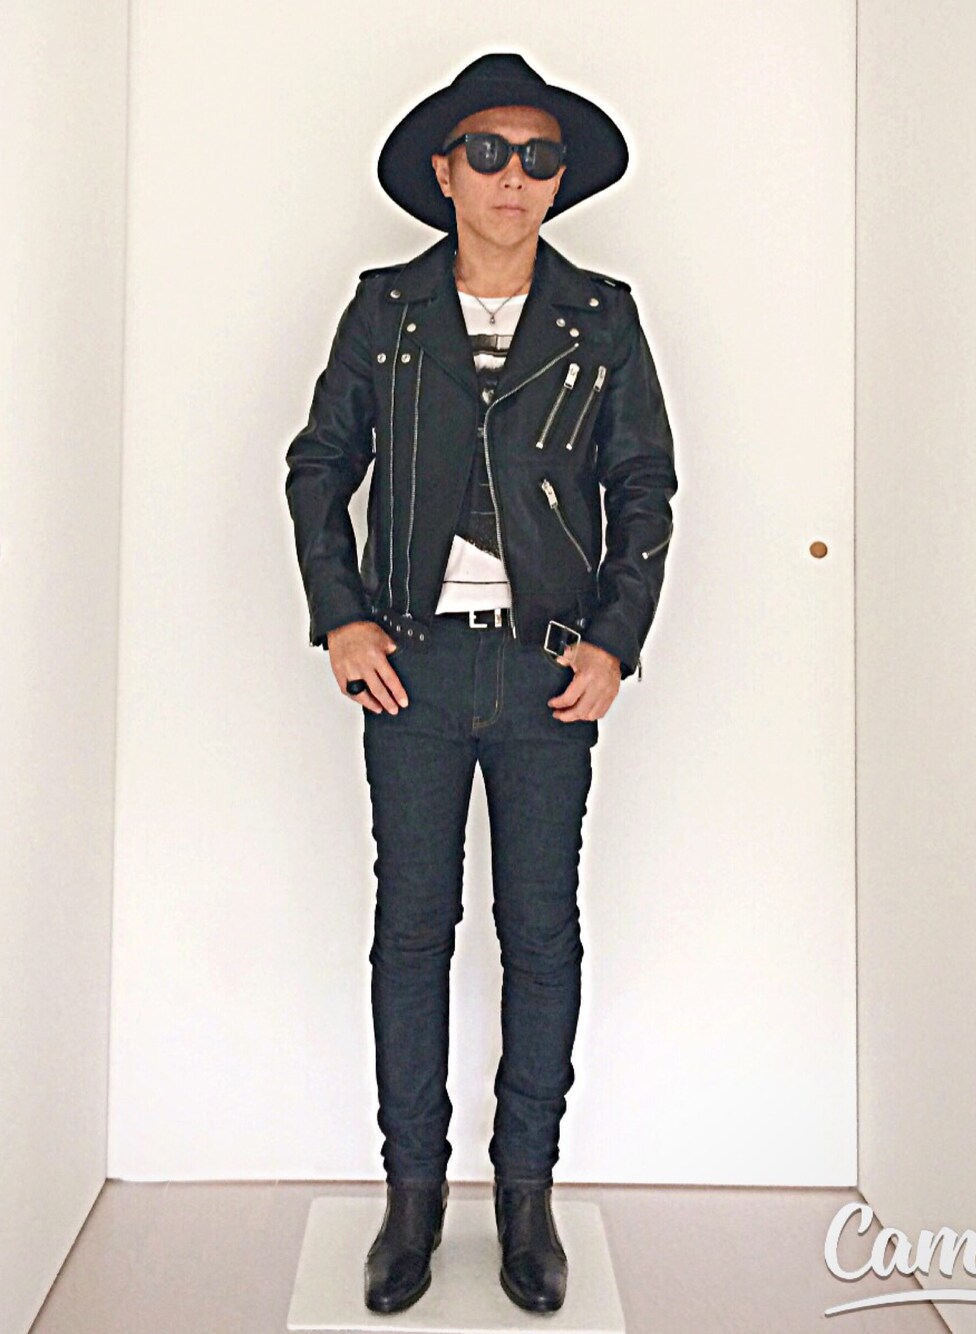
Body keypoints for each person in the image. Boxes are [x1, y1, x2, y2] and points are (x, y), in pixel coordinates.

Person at [284, 52, 677, 1317]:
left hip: (544, 669)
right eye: (491, 153)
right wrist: (342, 617)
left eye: (539, 156)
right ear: (445, 171)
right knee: (412, 931)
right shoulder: (386, 308)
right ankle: (411, 1199)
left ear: (560, 180)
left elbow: (644, 486)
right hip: (409, 663)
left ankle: (524, 1197)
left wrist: (612, 640)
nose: (515, 177)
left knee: (541, 932)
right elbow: (318, 465)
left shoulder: (600, 316)